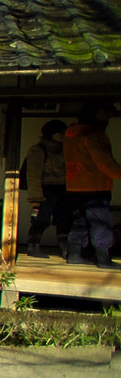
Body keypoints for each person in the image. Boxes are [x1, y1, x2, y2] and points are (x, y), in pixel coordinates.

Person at [64, 101, 121, 268]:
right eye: (106, 114)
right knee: (100, 221)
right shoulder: (94, 134)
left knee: (78, 221)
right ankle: (103, 259)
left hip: (74, 185)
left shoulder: (71, 133)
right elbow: (104, 162)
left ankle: (74, 254)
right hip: (95, 185)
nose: (108, 118)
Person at [23, 119, 71, 257]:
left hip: (63, 188)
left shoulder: (65, 149)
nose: (63, 134)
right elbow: (33, 174)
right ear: (50, 133)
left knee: (64, 219)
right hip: (45, 189)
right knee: (40, 219)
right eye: (59, 132)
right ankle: (33, 247)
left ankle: (65, 249)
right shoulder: (38, 150)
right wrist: (35, 198)